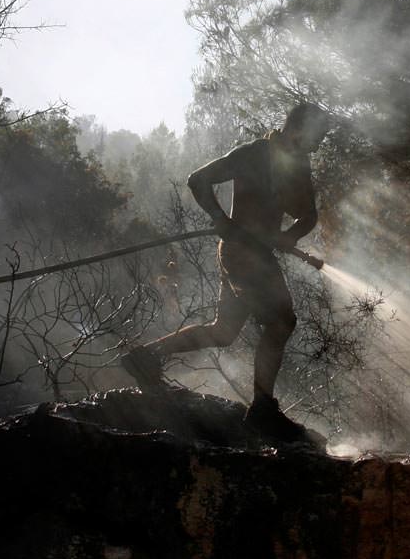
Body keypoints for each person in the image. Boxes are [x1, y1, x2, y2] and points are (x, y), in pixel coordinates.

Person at [121, 103, 332, 439]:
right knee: (281, 322)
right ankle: (262, 410)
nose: (318, 146)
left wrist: (289, 235)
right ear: (299, 128)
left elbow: (309, 215)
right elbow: (198, 180)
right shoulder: (252, 154)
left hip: (255, 253)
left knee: (223, 332)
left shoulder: (299, 165)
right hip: (241, 252)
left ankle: (145, 357)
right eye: (317, 137)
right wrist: (220, 218)